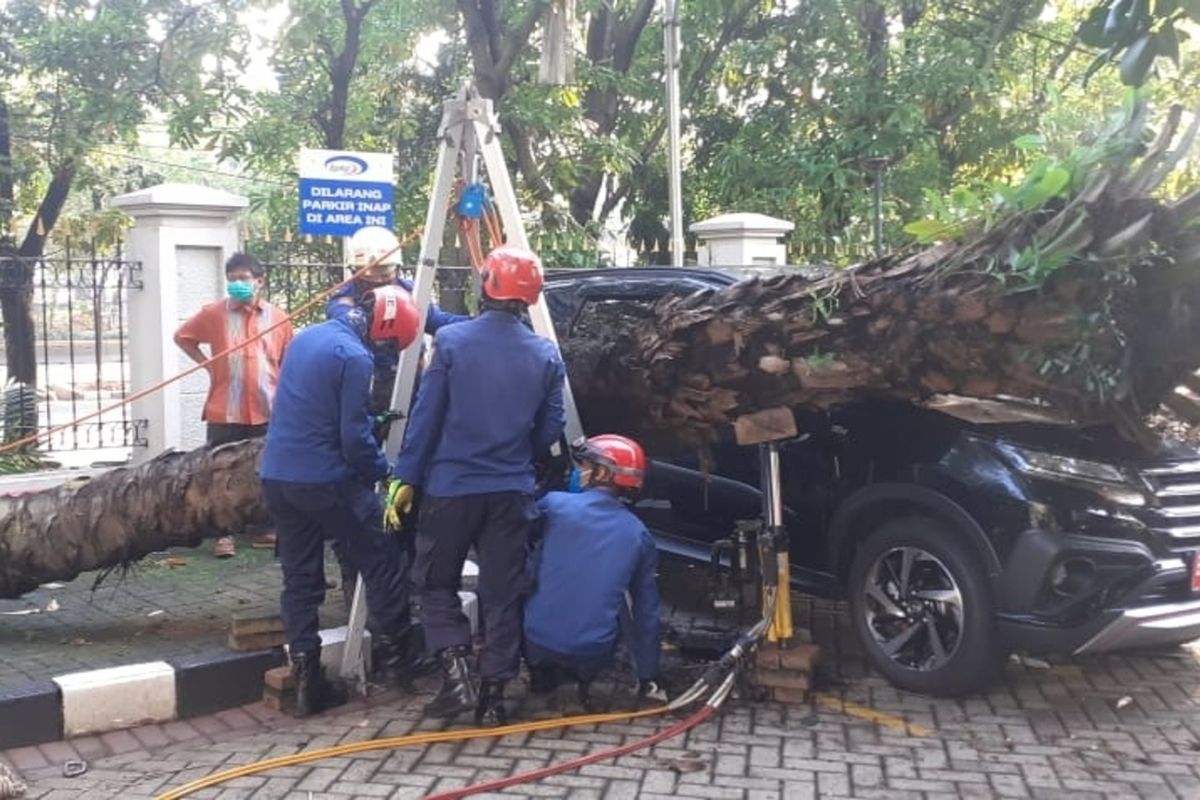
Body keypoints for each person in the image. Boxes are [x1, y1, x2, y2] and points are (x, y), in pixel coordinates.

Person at [388, 244, 566, 727]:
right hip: (511, 492)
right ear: (529, 298)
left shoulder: (453, 343)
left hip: (451, 489)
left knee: (433, 581)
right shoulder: (546, 355)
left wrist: (404, 478)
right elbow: (550, 432)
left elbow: (426, 417)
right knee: (502, 594)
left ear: (487, 285)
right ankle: (491, 697)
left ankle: (456, 673)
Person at [259, 285, 424, 717]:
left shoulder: (308, 336)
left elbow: (311, 406)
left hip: (277, 475)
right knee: (383, 557)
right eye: (391, 343)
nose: (387, 352)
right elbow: (352, 440)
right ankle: (397, 667)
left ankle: (307, 682)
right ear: (384, 330)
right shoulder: (355, 357)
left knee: (300, 578)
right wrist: (385, 475)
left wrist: (369, 419)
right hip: (324, 480)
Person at [524, 435, 664, 711]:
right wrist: (648, 673)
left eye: (586, 465)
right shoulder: (638, 535)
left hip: (535, 641)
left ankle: (541, 676)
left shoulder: (554, 505)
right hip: (592, 652)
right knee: (628, 598)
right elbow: (647, 615)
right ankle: (583, 681)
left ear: (602, 473)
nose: (579, 471)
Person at [174, 253, 292, 559]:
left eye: (243, 279)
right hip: (225, 408)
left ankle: (262, 528)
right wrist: (208, 365)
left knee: (264, 470)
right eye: (232, 280)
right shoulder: (214, 314)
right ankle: (221, 534)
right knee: (218, 471)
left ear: (259, 281)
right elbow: (183, 337)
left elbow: (288, 359)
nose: (238, 285)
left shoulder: (278, 318)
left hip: (267, 407)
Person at [326, 225, 468, 416]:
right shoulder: (344, 300)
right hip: (367, 387)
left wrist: (480, 323)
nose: (378, 281)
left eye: (385, 275)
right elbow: (343, 325)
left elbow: (438, 321)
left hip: (411, 382)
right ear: (355, 271)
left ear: (396, 269)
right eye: (370, 277)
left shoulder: (410, 292)